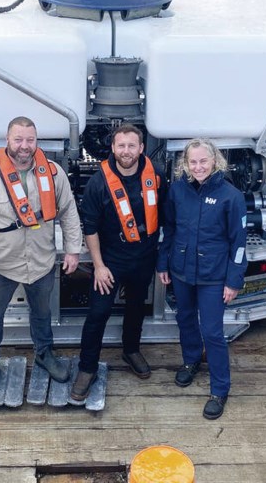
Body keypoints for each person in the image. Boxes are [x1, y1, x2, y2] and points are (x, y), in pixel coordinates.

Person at [0, 116, 84, 394]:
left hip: (41, 262)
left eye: (30, 140)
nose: (24, 146)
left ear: (36, 141)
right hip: (0, 265)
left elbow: (69, 213)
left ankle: (44, 353)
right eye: (18, 139)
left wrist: (73, 250)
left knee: (42, 313)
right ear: (7, 140)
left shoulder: (53, 173)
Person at [70, 124, 167, 401]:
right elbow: (90, 227)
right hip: (111, 261)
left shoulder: (156, 176)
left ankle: (131, 350)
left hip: (144, 257)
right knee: (98, 313)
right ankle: (87, 368)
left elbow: (166, 215)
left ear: (141, 148)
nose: (126, 151)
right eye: (121, 146)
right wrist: (99, 266)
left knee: (137, 307)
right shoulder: (99, 183)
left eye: (131, 146)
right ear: (113, 148)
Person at [156, 138, 247, 420]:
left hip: (213, 276)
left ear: (215, 161)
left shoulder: (231, 196)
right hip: (182, 271)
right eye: (192, 162)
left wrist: (233, 281)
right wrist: (163, 262)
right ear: (185, 163)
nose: (198, 167)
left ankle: (220, 389)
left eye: (203, 161)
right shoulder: (178, 190)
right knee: (185, 319)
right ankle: (191, 361)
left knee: (212, 331)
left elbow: (239, 243)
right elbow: (168, 228)